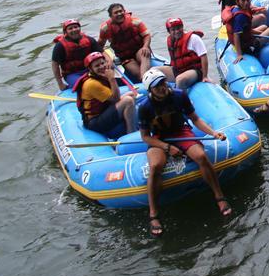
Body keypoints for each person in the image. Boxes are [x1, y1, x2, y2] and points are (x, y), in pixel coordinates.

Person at [138, 69, 231, 237]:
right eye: (156, 86)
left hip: (181, 132)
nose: (162, 87)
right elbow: (145, 137)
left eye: (163, 83)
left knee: (201, 156)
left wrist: (213, 133)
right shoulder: (145, 107)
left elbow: (195, 119)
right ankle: (153, 214)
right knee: (155, 166)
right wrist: (167, 148)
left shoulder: (179, 95)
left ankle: (219, 196)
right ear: (150, 90)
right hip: (159, 138)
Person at [73, 51, 138, 139]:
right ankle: (131, 133)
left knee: (131, 95)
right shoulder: (92, 84)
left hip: (103, 111)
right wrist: (112, 79)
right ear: (90, 69)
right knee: (128, 101)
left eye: (102, 63)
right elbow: (116, 98)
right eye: (97, 66)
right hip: (94, 122)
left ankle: (128, 122)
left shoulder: (98, 76)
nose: (101, 67)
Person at [97, 3, 152, 83]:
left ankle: (146, 79)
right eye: (116, 13)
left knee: (144, 54)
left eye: (121, 11)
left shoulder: (135, 22)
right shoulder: (105, 29)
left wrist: (145, 46)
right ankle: (144, 80)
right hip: (125, 58)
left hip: (139, 50)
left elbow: (147, 35)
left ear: (124, 11)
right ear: (110, 16)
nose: (119, 14)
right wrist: (107, 58)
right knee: (137, 74)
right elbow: (99, 46)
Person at [228, 0, 269, 64]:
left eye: (248, 0)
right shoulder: (240, 16)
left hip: (247, 38)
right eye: (243, 1)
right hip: (249, 45)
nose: (246, 3)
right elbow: (236, 35)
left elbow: (246, 30)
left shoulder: (237, 9)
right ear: (237, 1)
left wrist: (259, 33)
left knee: (264, 27)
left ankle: (267, 39)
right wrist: (239, 54)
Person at [51, 19, 102, 89]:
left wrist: (109, 63)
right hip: (72, 74)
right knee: (87, 86)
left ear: (80, 28)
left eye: (76, 27)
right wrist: (60, 84)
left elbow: (102, 53)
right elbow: (55, 65)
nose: (74, 30)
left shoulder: (89, 40)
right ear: (65, 32)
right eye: (70, 28)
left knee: (108, 77)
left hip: (90, 69)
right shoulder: (60, 46)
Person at [159, 17, 208, 89]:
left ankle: (180, 98)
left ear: (182, 27)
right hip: (178, 70)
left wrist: (205, 76)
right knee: (154, 72)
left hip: (194, 71)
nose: (177, 31)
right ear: (169, 31)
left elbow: (204, 56)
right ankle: (162, 93)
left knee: (180, 79)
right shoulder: (171, 40)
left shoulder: (193, 38)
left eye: (179, 28)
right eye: (173, 30)